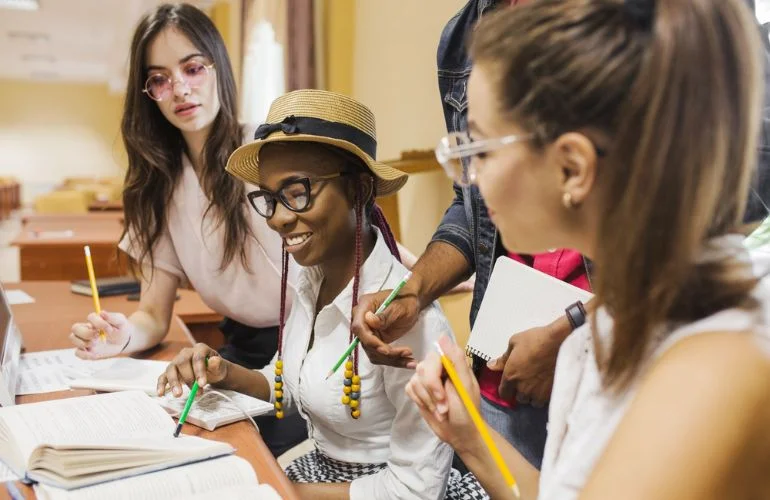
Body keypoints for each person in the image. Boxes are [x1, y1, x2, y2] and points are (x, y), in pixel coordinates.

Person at [352, 0, 770, 469]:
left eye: (482, 150)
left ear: (572, 166)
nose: (470, 174)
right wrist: (415, 292)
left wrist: (572, 326)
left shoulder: (699, 376)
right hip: (518, 360)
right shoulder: (464, 32)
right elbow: (472, 212)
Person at [157, 90, 481, 499]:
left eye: (297, 192)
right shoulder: (310, 282)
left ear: (360, 191)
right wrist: (222, 371)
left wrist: (284, 490)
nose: (277, 219)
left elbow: (414, 490)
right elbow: (291, 387)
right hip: (320, 471)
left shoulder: (404, 321)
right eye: (269, 199)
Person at [67, 3, 306, 456]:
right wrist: (121, 337)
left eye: (193, 68)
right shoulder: (156, 184)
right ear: (148, 94)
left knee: (250, 455)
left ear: (218, 68)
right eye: (159, 79)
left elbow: (364, 249)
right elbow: (154, 315)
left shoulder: (268, 149)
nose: (179, 89)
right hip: (244, 348)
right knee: (174, 437)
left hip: (317, 347)